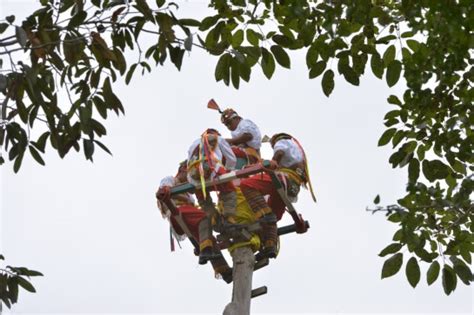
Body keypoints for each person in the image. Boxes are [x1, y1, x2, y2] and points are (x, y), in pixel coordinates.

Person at [239, 133, 315, 258]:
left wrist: (272, 162)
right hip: (291, 187)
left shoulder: (282, 142)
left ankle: (265, 217)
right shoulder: (297, 152)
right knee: (273, 217)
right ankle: (270, 246)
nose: (272, 145)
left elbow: (279, 152)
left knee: (247, 185)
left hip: (283, 179)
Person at [156, 161, 233, 283]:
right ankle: (204, 250)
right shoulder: (170, 179)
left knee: (210, 240)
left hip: (187, 217)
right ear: (182, 169)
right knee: (205, 218)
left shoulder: (187, 191)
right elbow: (164, 191)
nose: (189, 177)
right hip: (177, 212)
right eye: (188, 173)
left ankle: (225, 272)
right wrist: (184, 198)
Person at [186, 129, 238, 264]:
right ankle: (229, 221)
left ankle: (213, 225)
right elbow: (232, 159)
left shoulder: (194, 143)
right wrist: (228, 172)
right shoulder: (219, 139)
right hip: (214, 172)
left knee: (205, 205)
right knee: (230, 192)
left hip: (195, 178)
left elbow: (188, 162)